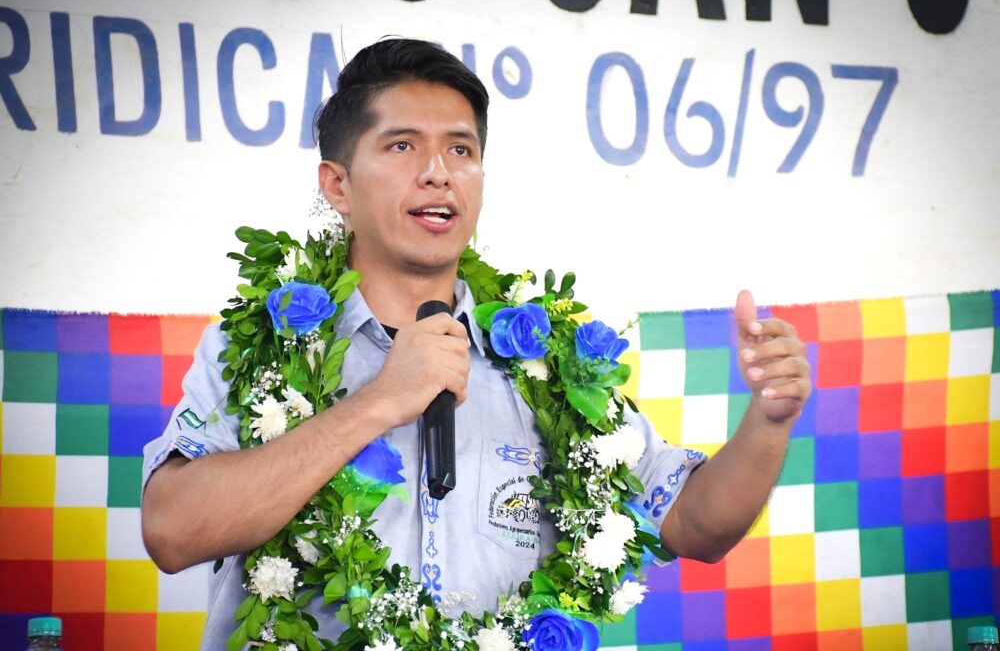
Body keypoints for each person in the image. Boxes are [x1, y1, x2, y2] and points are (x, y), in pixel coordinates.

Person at [141, 38, 812, 647]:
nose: (439, 172)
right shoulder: (261, 347)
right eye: (402, 145)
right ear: (337, 185)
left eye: (461, 150)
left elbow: (695, 524)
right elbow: (172, 530)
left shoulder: (547, 362)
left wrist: (770, 419)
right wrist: (379, 402)